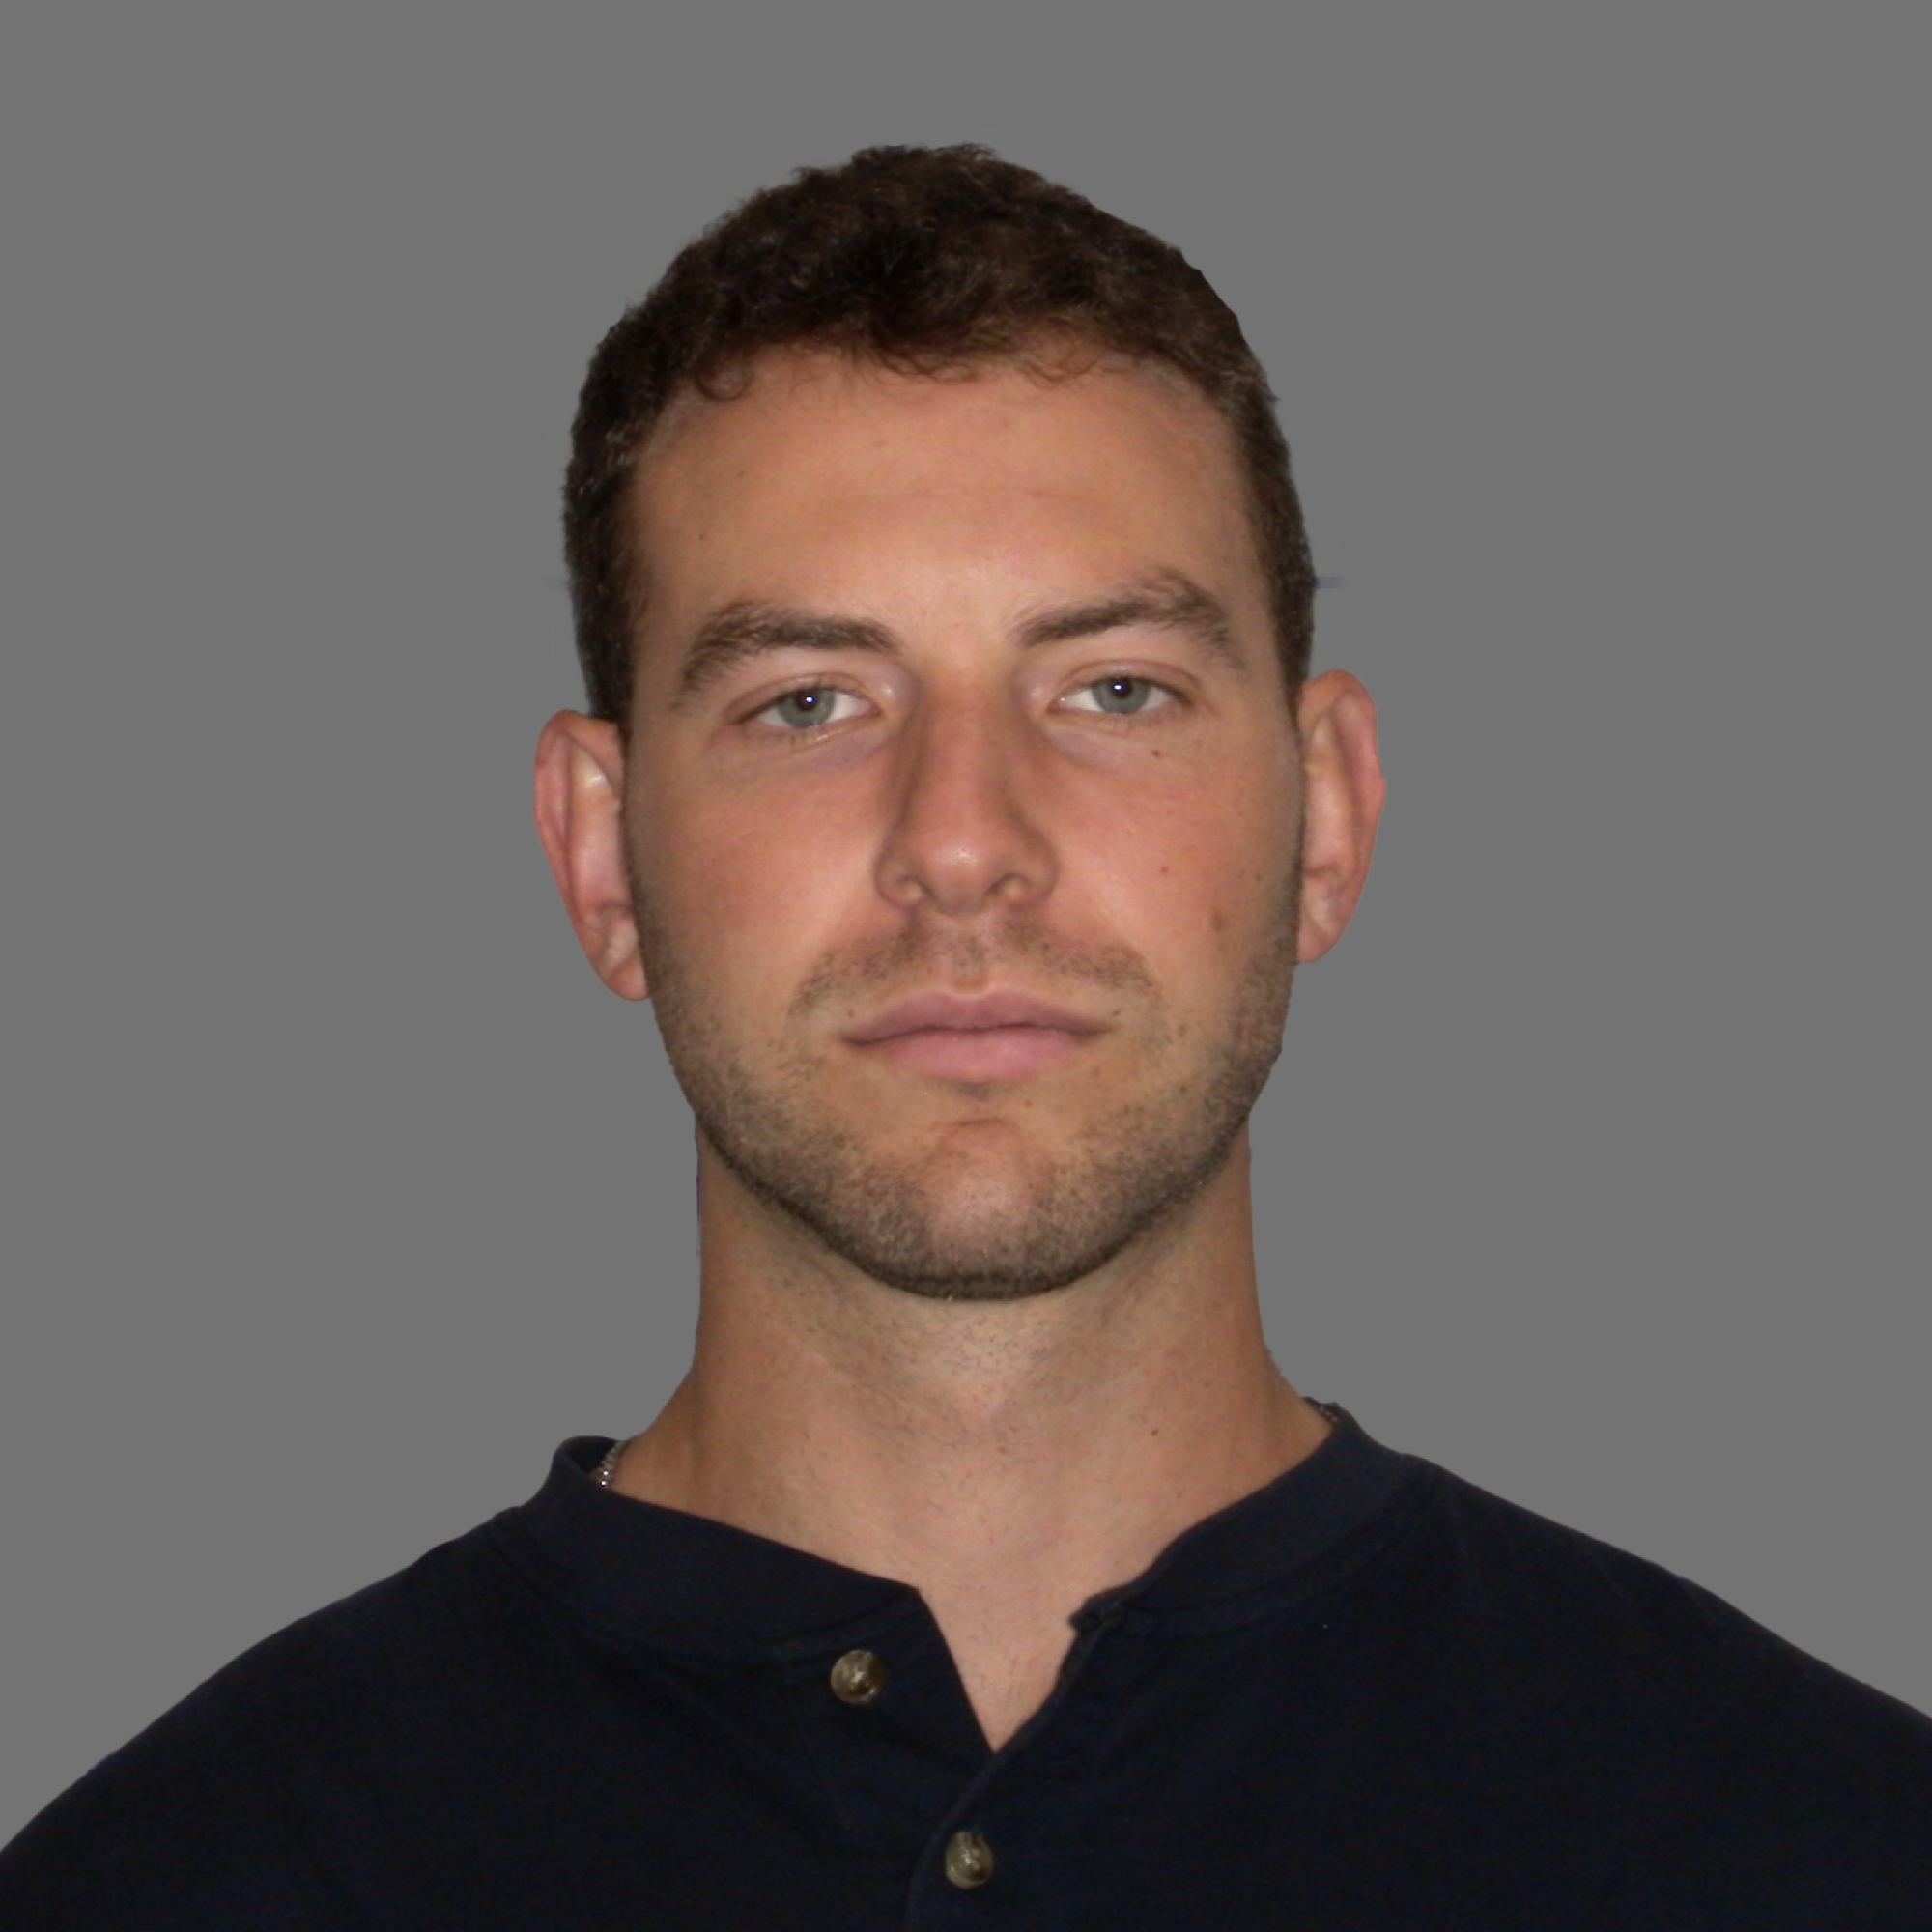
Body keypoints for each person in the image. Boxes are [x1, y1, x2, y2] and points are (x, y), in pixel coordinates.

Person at [3, 142, 1927, 1930]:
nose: (962, 845)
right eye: (809, 701)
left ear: (1324, 813)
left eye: (1109, 685)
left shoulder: (1820, 1846)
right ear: (601, 855)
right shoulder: (178, 1877)